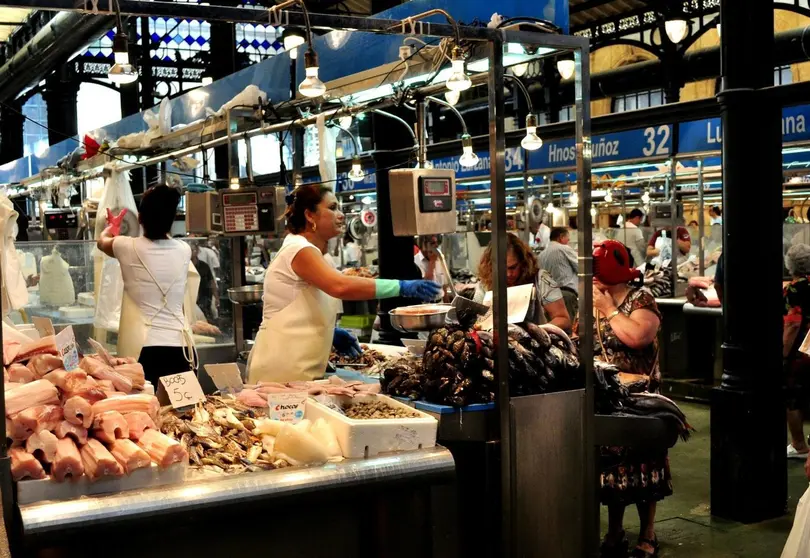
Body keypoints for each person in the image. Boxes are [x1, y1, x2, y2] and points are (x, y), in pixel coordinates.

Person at [247, 185, 440, 383]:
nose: (340, 215)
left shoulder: (320, 256)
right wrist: (400, 287)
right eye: (332, 207)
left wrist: (328, 332)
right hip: (279, 371)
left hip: (300, 370)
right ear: (310, 215)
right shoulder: (297, 249)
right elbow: (339, 286)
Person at [591, 239, 668, 558]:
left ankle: (648, 532)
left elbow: (639, 337)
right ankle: (615, 529)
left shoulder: (641, 299)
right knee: (612, 469)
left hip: (641, 399)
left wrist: (608, 309)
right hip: (608, 396)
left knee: (644, 463)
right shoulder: (594, 300)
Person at [97, 185, 196, 386]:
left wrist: (112, 228)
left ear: (140, 218)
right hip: (182, 349)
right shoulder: (184, 250)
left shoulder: (126, 246)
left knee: (145, 411)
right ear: (172, 219)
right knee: (183, 413)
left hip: (143, 350)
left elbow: (102, 242)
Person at [474, 232, 571, 331]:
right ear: (491, 266)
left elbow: (563, 319)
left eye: (513, 267)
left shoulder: (541, 279)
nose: (508, 274)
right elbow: (474, 323)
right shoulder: (484, 285)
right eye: (502, 269)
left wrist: (536, 332)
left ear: (523, 262)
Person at [783, 245, 810, 459]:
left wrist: (783, 353)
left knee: (791, 396)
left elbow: (792, 324)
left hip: (801, 349)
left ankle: (799, 444)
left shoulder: (793, 289)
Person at [538, 227, 579, 321]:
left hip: (547, 299)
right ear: (561, 237)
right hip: (565, 295)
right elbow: (582, 268)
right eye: (567, 239)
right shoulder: (564, 249)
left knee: (554, 330)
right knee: (568, 329)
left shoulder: (541, 255)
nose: (568, 241)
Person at [414, 235, 449, 300]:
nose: (436, 246)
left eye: (437, 242)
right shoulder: (415, 262)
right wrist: (432, 262)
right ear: (423, 245)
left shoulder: (439, 259)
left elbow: (444, 287)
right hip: (426, 305)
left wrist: (448, 304)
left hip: (440, 303)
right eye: (432, 243)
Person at [191, 243, 217, 322]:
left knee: (206, 319)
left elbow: (211, 281)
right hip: (191, 298)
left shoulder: (204, 266)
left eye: (193, 250)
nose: (191, 252)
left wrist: (216, 296)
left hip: (205, 297)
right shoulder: (184, 266)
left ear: (197, 251)